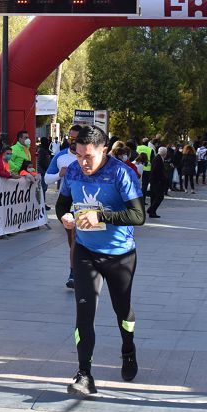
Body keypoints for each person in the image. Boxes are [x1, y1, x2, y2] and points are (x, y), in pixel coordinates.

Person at [56, 125, 145, 396]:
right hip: (86, 252)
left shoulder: (121, 173)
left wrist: (100, 216)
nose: (82, 162)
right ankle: (84, 374)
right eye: (78, 154)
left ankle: (128, 348)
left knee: (122, 310)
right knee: (84, 313)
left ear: (103, 151)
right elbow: (62, 203)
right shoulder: (73, 170)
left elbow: (138, 216)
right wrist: (65, 217)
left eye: (89, 156)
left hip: (120, 255)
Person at [47, 125, 81, 289]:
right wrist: (59, 175)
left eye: (76, 139)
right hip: (68, 202)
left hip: (93, 210)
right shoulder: (60, 156)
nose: (72, 141)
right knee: (73, 239)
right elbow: (46, 179)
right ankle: (74, 272)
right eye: (71, 138)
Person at [147, 147, 168, 218]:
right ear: (164, 153)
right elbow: (156, 170)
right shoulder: (158, 159)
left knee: (154, 196)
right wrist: (161, 178)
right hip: (157, 181)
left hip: (156, 180)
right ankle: (151, 210)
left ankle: (152, 212)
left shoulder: (158, 158)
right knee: (159, 196)